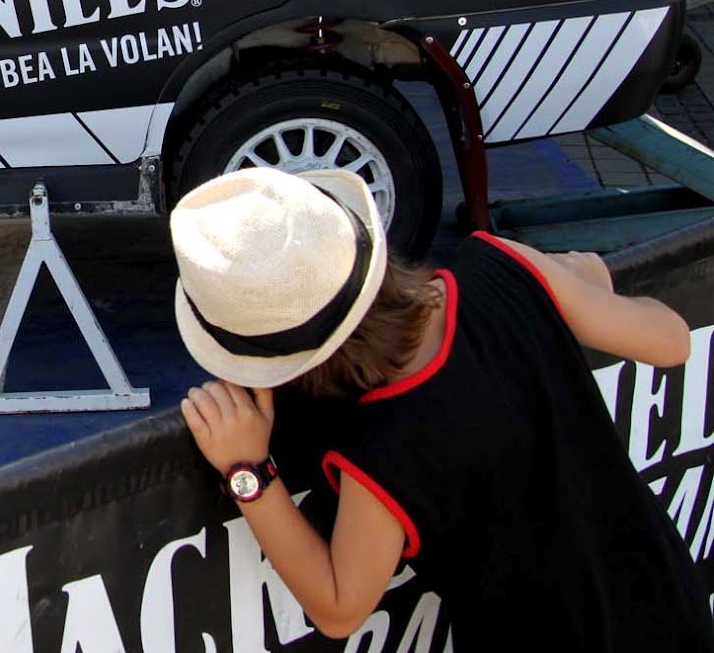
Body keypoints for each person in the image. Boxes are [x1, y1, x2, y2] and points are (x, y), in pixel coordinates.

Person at [172, 167, 713, 648]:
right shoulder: (504, 265)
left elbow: (340, 608)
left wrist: (247, 471)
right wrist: (590, 286)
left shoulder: (381, 443)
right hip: (671, 604)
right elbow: (671, 341)